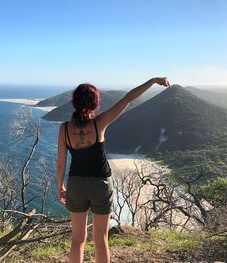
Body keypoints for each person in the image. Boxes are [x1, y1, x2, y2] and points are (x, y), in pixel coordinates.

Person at [56, 77, 170, 263]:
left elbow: (60, 163)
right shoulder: (99, 123)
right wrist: (153, 81)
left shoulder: (64, 129)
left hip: (76, 184)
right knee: (100, 240)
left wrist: (60, 186)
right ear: (95, 103)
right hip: (100, 185)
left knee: (77, 240)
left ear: (75, 102)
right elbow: (128, 99)